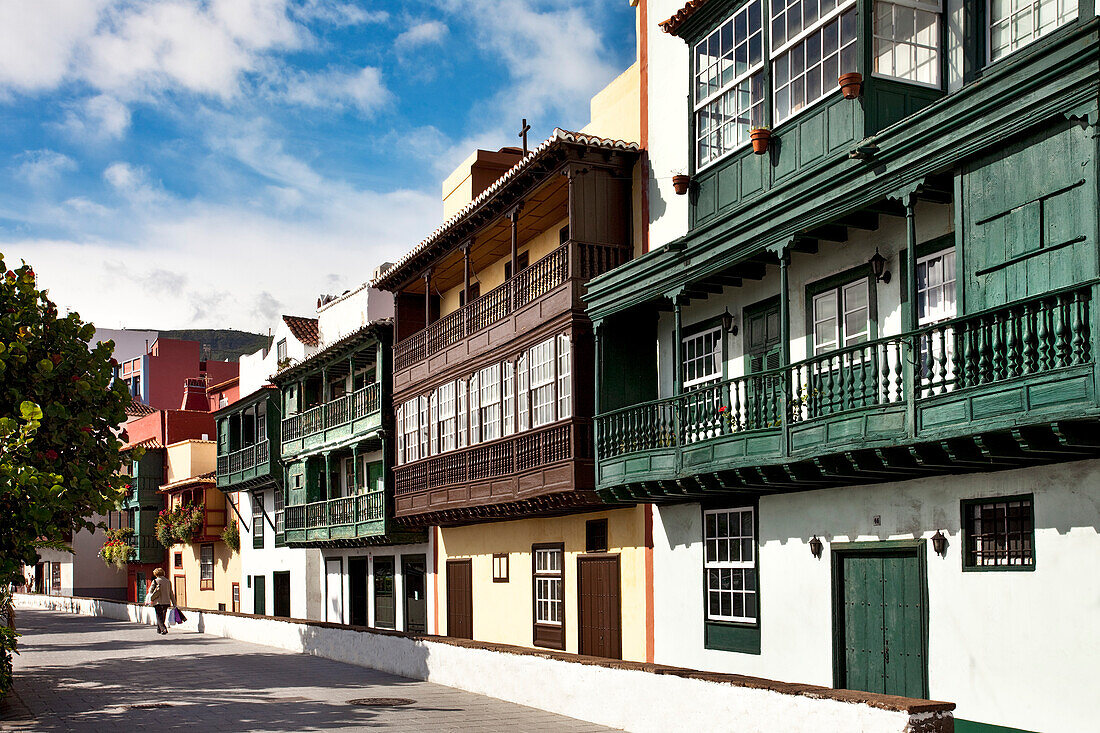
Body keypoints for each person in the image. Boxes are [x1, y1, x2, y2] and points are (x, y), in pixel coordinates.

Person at [146, 567, 176, 635]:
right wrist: (174, 602)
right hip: (166, 601)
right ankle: (159, 628)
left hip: (157, 602)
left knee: (158, 616)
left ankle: (163, 629)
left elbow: (150, 591)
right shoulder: (168, 581)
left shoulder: (155, 581)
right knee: (163, 615)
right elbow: (171, 593)